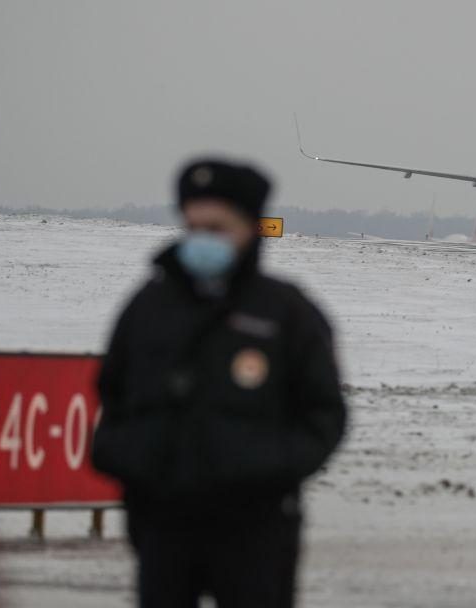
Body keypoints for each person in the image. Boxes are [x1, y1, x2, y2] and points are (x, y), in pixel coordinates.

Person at [93, 158, 347, 608]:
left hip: (256, 524)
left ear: (251, 228)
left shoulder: (285, 313)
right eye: (194, 228)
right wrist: (136, 467)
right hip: (164, 519)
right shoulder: (149, 306)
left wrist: (272, 471)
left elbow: (324, 414)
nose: (203, 240)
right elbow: (112, 395)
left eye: (218, 228)